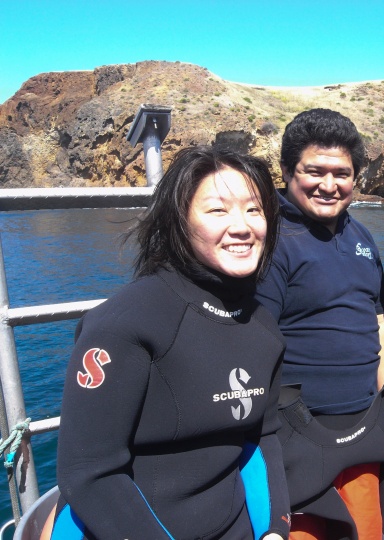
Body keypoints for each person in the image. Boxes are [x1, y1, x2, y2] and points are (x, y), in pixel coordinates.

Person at [50, 147, 291, 539]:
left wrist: (276, 529)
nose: (242, 226)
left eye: (254, 209)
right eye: (218, 210)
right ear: (180, 220)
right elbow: (89, 472)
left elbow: (262, 439)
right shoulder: (125, 324)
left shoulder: (263, 326)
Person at [255, 108, 384, 540]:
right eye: (314, 171)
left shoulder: (360, 236)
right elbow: (253, 344)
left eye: (342, 173)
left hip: (362, 431)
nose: (329, 185)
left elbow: (377, 318)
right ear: (287, 170)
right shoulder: (269, 239)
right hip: (296, 438)